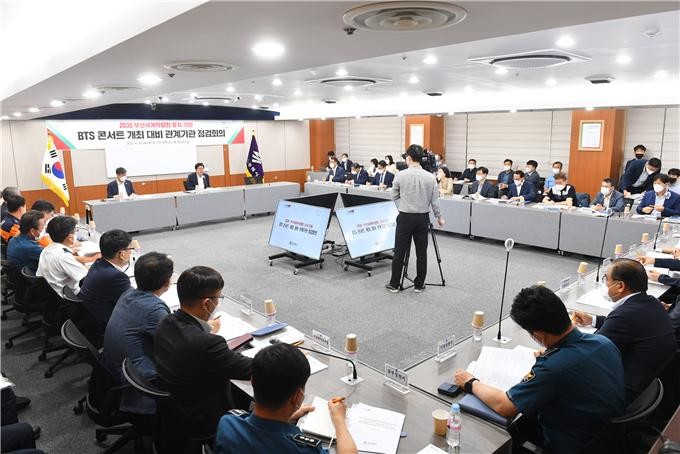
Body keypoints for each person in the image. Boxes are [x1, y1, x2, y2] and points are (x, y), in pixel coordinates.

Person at [454, 286, 625, 454]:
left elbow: (505, 406)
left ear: (538, 336)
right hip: (605, 440)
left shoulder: (553, 368)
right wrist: (553, 355)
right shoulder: (604, 343)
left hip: (569, 446)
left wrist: (470, 382)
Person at [154, 266, 252, 437]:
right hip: (204, 418)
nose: (218, 303)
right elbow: (251, 369)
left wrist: (206, 329)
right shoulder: (207, 344)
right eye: (218, 298)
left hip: (176, 410)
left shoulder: (165, 323)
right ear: (206, 303)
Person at [214, 343, 358, 454]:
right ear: (298, 397)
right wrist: (339, 421)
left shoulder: (227, 423)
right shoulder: (302, 449)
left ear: (252, 381)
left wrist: (286, 418)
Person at [573, 259, 675, 402]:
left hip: (621, 390)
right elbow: (628, 327)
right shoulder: (652, 302)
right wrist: (593, 320)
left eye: (606, 279)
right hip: (647, 380)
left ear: (620, 286)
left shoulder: (623, 316)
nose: (604, 284)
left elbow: (588, 353)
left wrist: (564, 337)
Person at [103, 252, 173, 415]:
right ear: (167, 281)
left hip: (117, 369)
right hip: (141, 382)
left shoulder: (128, 293)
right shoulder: (155, 309)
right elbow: (177, 346)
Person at [386, 145, 444, 293]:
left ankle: (394, 284)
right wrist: (439, 217)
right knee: (421, 253)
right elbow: (435, 201)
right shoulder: (431, 177)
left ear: (409, 158)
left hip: (405, 216)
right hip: (422, 218)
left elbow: (393, 195)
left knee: (399, 251)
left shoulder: (400, 175)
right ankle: (419, 285)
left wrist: (404, 200)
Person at [78, 229, 133, 326]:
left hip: (89, 317)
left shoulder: (98, 263)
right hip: (105, 324)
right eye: (130, 249)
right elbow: (132, 303)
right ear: (122, 254)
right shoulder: (116, 276)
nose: (131, 252)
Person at [36, 215, 98, 296]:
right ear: (70, 237)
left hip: (50, 294)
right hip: (68, 297)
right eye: (75, 231)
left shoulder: (47, 249)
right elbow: (88, 277)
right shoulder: (64, 256)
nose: (76, 233)